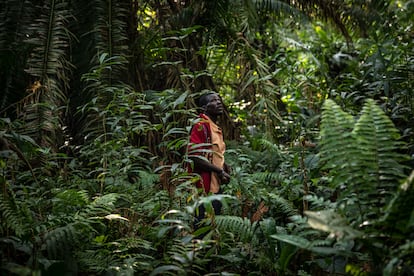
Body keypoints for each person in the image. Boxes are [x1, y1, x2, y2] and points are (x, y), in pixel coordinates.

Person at [187, 92, 231, 230]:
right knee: (202, 224)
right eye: (213, 101)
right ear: (205, 108)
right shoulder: (201, 126)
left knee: (212, 225)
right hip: (203, 186)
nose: (218, 103)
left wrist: (224, 165)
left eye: (219, 100)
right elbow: (194, 156)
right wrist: (219, 170)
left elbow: (215, 153)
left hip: (215, 184)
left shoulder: (214, 127)